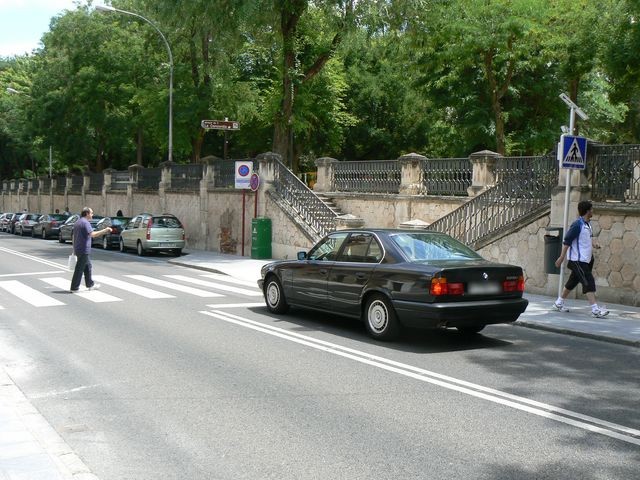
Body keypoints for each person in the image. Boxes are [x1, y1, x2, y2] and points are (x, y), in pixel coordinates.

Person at [553, 200, 609, 318]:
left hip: (586, 260)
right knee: (588, 282)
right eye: (592, 209)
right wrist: (562, 257)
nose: (593, 211)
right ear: (587, 211)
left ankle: (558, 303)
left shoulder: (587, 224)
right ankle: (595, 310)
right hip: (577, 260)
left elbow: (587, 240)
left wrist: (595, 245)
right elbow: (567, 241)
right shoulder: (577, 225)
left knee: (572, 282)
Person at [69, 207, 112, 293]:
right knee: (79, 268)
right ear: (87, 213)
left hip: (79, 248)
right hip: (83, 249)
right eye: (91, 213)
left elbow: (74, 237)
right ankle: (74, 287)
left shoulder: (78, 222)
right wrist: (105, 230)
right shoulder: (85, 223)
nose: (92, 214)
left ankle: (90, 284)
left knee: (88, 266)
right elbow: (93, 234)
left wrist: (74, 249)